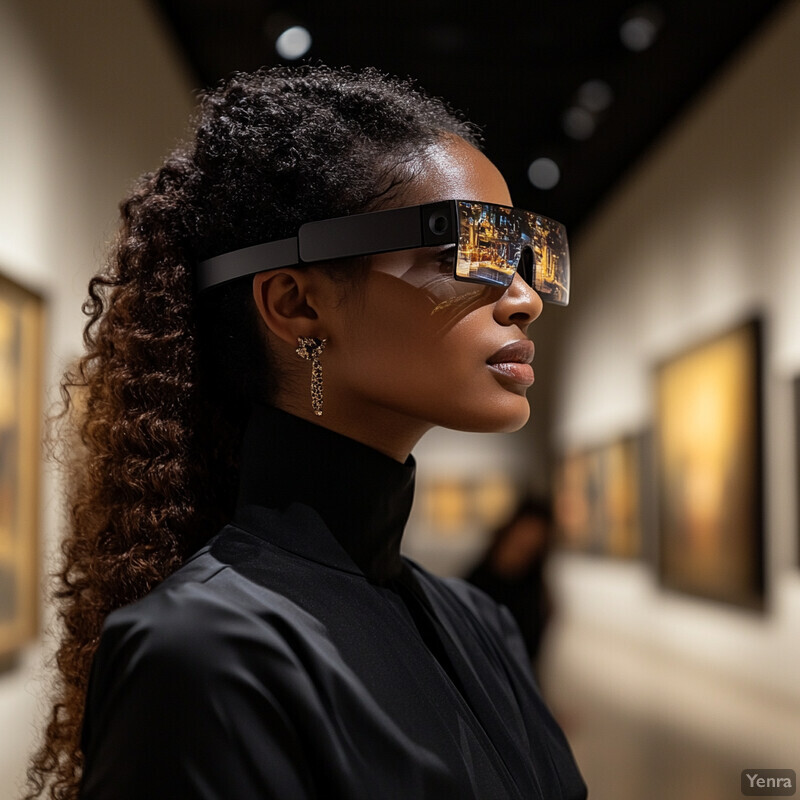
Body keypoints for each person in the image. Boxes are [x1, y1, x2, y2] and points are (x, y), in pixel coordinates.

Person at [26, 65, 586, 800]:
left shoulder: (479, 623)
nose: (523, 298)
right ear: (295, 305)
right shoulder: (203, 656)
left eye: (525, 255)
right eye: (470, 251)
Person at [466, 495, 555, 676]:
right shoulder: (479, 580)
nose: (531, 539)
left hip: (522, 676)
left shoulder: (533, 578)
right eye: (528, 530)